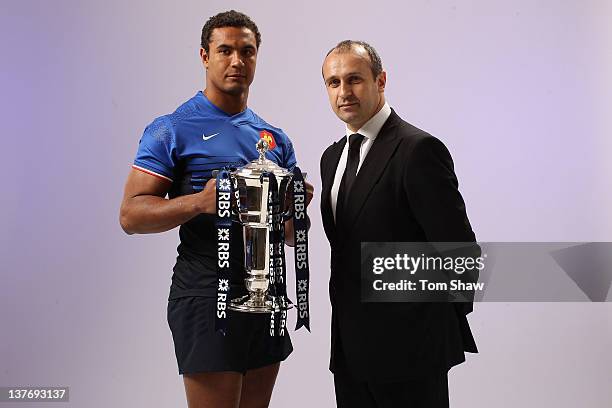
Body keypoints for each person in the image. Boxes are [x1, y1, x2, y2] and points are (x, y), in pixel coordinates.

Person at [120, 10, 312, 408]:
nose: (237, 61)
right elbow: (131, 215)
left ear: (257, 57)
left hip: (265, 294)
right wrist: (198, 202)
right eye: (225, 50)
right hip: (207, 291)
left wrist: (295, 208)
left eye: (247, 51)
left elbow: (292, 236)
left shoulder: (273, 138)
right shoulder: (171, 128)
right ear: (205, 56)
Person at [319, 40, 478, 408]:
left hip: (412, 351)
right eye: (334, 82)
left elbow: (461, 253)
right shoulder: (331, 158)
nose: (344, 92)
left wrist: (424, 325)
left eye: (355, 79)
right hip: (350, 350)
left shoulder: (418, 149)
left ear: (381, 80)